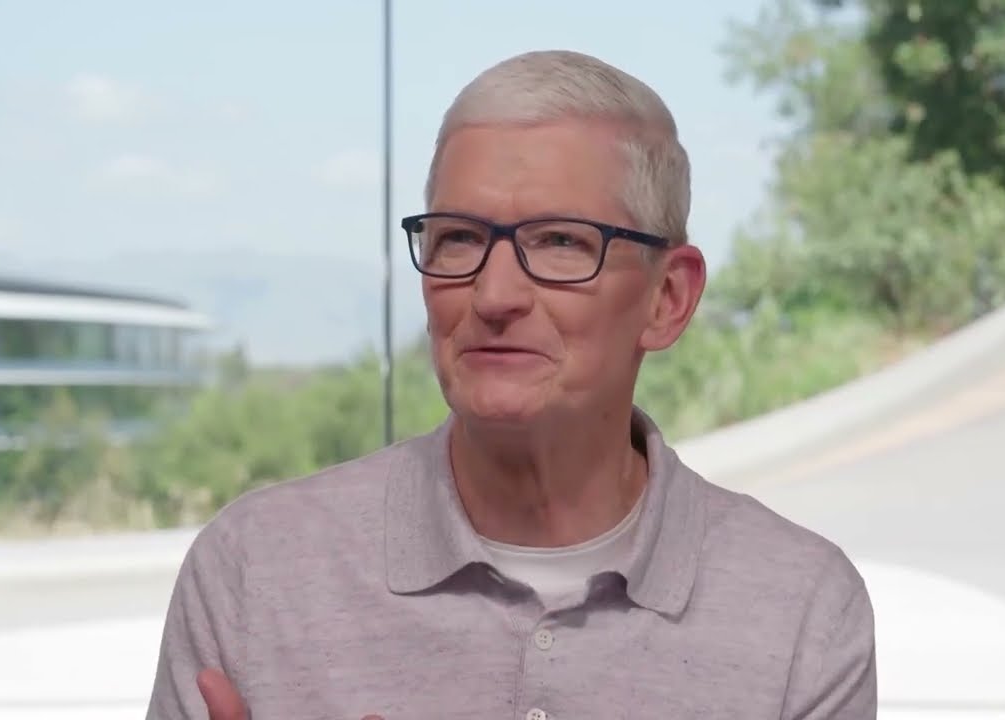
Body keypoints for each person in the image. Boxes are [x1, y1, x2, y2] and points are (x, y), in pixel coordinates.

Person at [146, 49, 877, 720]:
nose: (494, 296)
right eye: (459, 238)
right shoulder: (253, 571)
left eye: (560, 242)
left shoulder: (802, 611)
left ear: (668, 298)